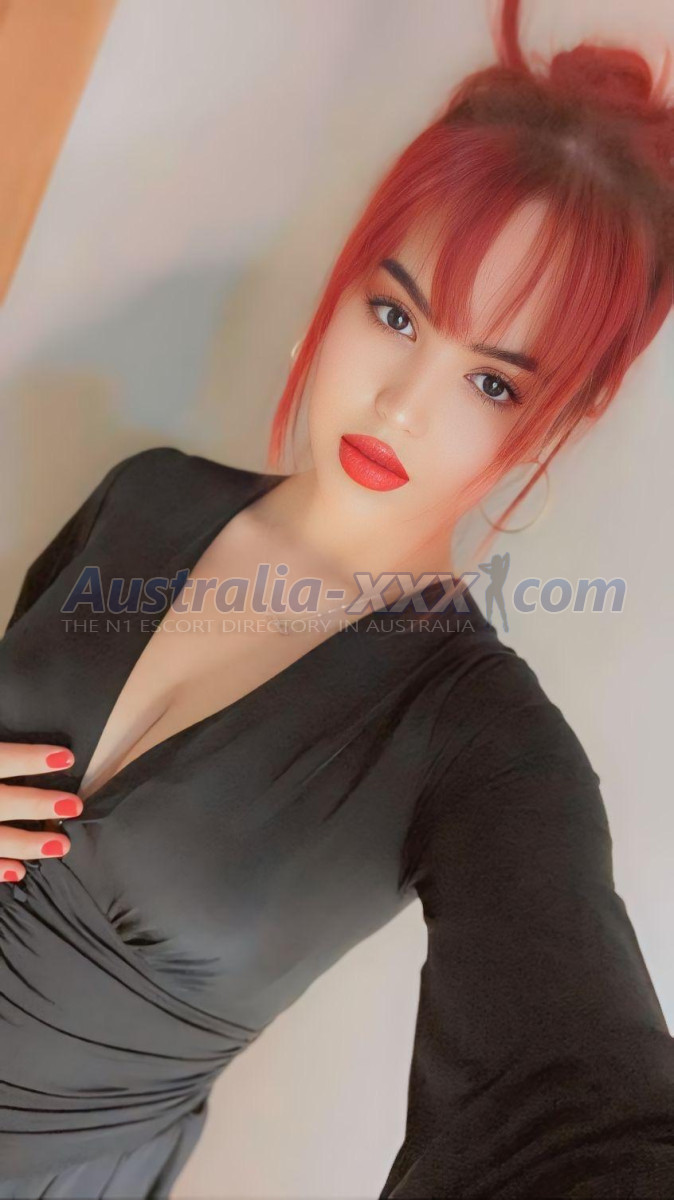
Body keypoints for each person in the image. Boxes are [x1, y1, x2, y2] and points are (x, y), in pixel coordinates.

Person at [1, 0, 673, 1195]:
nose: (402, 403)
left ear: (560, 419)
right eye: (395, 313)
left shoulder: (481, 745)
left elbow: (579, 1090)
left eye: (490, 381)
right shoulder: (144, 498)